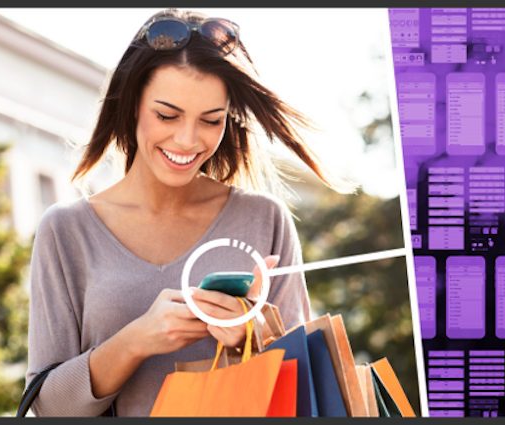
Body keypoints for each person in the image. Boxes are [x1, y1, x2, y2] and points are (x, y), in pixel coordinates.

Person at [25, 9, 351, 417]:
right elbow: (47, 407)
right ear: (131, 104)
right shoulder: (66, 230)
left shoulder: (265, 220)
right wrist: (136, 341)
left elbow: (306, 394)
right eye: (167, 115)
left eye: (211, 121)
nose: (187, 140)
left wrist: (252, 337)